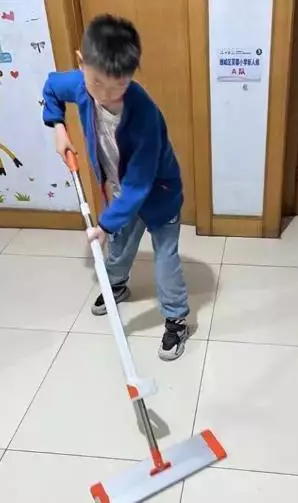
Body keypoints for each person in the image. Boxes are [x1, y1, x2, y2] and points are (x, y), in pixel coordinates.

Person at [41, 14, 189, 361]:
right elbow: (50, 87)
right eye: (97, 83)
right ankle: (117, 286)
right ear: (82, 63)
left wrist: (105, 224)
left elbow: (139, 183)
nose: (106, 95)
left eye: (118, 86)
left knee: (165, 260)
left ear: (131, 75)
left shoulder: (144, 115)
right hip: (121, 192)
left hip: (158, 195)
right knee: (119, 249)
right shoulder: (80, 84)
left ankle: (177, 319)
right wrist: (57, 126)